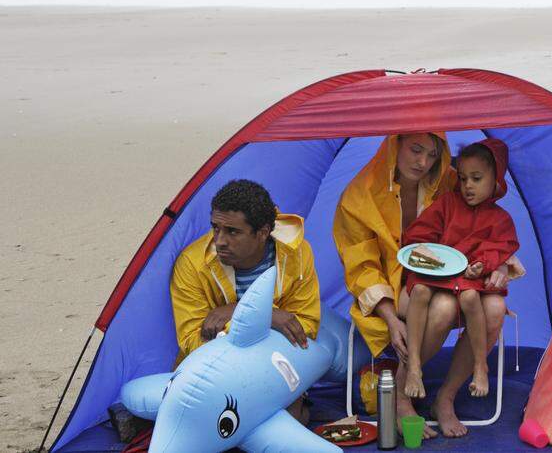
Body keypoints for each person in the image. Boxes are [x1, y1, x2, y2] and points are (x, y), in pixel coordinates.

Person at [333, 133, 524, 438]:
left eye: (433, 154)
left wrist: (498, 263)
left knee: (496, 307)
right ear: (396, 145)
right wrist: (390, 317)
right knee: (443, 308)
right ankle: (402, 393)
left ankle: (445, 398)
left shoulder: (452, 180)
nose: (424, 163)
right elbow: (362, 267)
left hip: (457, 282)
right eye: (416, 150)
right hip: (399, 290)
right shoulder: (359, 197)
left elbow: (488, 226)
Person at [170, 179, 320, 421]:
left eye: (232, 232)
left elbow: (305, 328)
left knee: (293, 420)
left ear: (262, 233)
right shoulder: (192, 264)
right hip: (216, 374)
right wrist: (264, 316)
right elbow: (192, 340)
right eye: (215, 228)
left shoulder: (297, 254)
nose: (219, 241)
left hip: (274, 366)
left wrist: (240, 311)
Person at [401, 138, 519, 400]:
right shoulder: (447, 204)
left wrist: (484, 264)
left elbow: (503, 246)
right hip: (438, 277)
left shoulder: (500, 219)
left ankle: (478, 367)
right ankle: (413, 368)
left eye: (476, 178)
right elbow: (419, 235)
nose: (468, 186)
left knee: (473, 298)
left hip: (469, 282)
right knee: (419, 289)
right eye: (463, 178)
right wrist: (427, 250)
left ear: (496, 179)